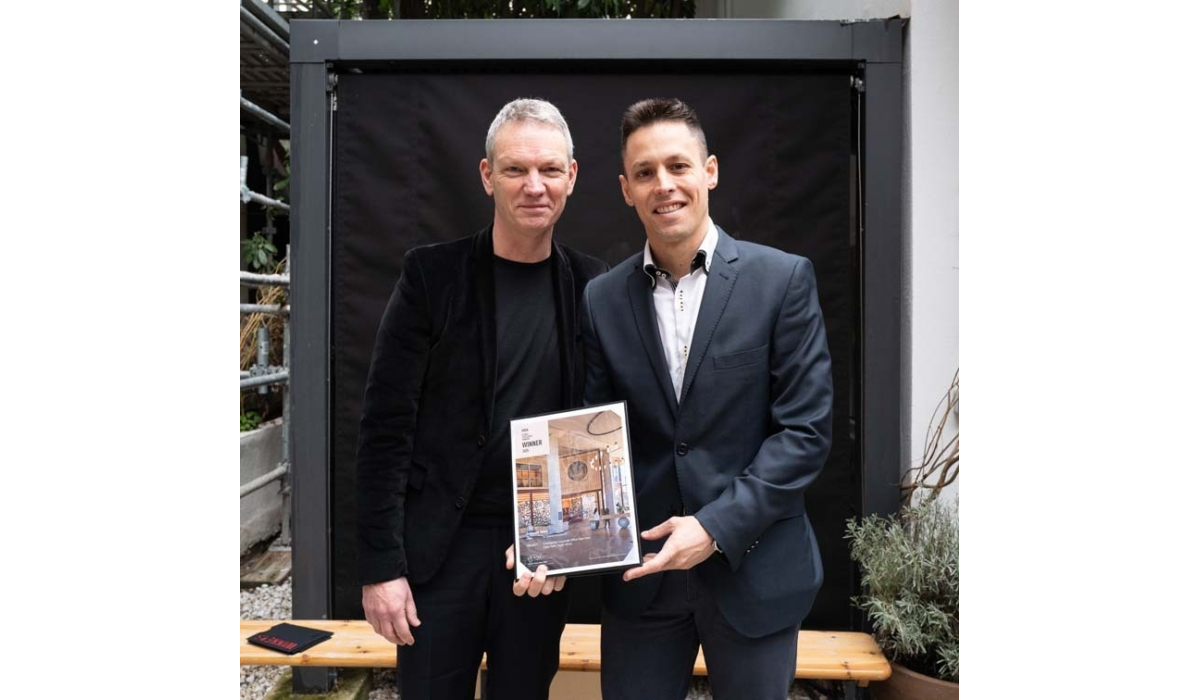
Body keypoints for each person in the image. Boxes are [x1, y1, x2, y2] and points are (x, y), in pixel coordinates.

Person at [580, 98, 834, 700]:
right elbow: (594, 437)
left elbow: (805, 434)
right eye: (645, 173)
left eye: (678, 166)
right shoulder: (600, 299)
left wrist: (714, 528)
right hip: (643, 583)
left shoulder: (782, 280)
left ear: (710, 171)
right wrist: (554, 537)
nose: (663, 185)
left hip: (754, 573)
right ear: (625, 188)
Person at [356, 98, 608, 700]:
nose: (534, 186)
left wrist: (563, 542)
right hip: (440, 548)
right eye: (516, 170)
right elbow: (384, 429)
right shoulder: (431, 278)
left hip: (539, 550)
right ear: (487, 175)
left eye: (549, 170)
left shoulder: (594, 285)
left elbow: (595, 425)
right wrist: (381, 569)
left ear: (571, 176)